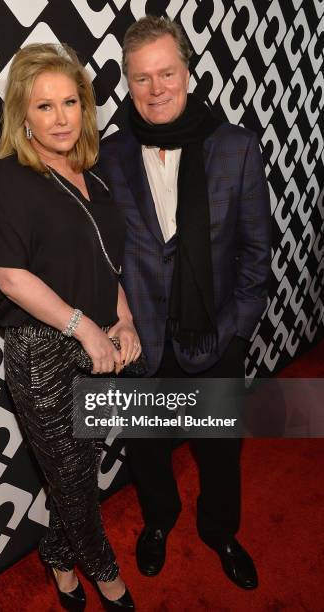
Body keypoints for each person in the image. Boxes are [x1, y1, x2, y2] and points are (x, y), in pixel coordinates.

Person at [99, 16, 271, 591]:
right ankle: (158, 521)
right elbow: (98, 254)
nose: (156, 89)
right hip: (141, 343)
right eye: (142, 78)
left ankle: (221, 531)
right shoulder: (109, 155)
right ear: (128, 83)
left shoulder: (237, 148)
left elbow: (254, 253)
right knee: (147, 450)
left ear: (189, 74)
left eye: (166, 73)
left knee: (221, 455)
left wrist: (234, 333)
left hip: (214, 337)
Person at [0, 42, 140, 611]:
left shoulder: (93, 182)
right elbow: (10, 277)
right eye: (44, 106)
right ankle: (106, 573)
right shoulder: (8, 178)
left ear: (85, 106)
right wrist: (85, 328)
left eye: (70, 101)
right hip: (44, 349)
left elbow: (109, 267)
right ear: (23, 114)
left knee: (77, 472)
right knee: (76, 482)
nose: (60, 117)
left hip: (99, 344)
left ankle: (55, 553)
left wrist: (122, 318)